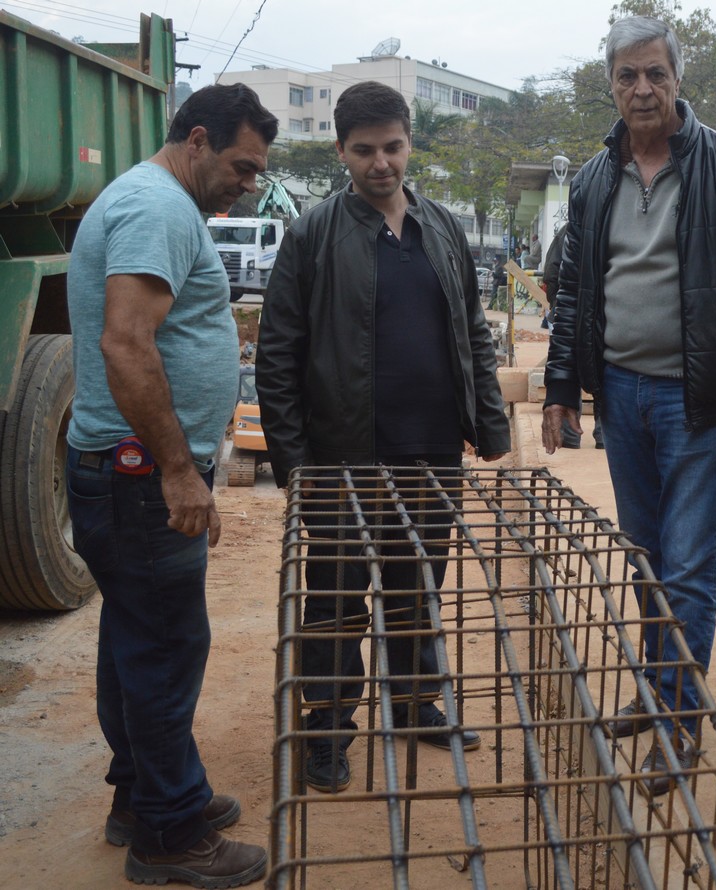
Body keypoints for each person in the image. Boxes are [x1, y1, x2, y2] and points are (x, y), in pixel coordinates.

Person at [542, 16, 716, 796]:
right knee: (646, 560)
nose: (643, 88)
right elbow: (573, 292)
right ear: (611, 85)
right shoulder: (593, 178)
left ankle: (679, 725)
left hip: (698, 401)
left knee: (688, 567)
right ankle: (655, 693)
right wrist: (560, 386)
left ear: (678, 77)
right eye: (628, 76)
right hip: (621, 393)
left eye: (656, 73)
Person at [256, 81, 510, 794]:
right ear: (341, 150)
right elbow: (278, 355)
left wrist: (489, 421)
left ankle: (415, 704)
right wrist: (297, 466)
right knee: (336, 598)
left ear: (409, 143)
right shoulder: (313, 234)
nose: (381, 164)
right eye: (364, 150)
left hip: (432, 449)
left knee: (418, 584)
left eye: (393, 147)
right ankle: (329, 729)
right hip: (343, 453)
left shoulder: (442, 228)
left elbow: (472, 331)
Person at [65, 84, 277, 886]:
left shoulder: (158, 202)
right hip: (141, 474)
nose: (248, 185)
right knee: (164, 645)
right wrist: (179, 471)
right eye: (242, 166)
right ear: (196, 141)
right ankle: (171, 833)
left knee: (136, 636)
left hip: (131, 468)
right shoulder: (156, 207)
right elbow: (126, 344)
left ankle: (141, 797)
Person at [542, 226, 603, 449]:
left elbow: (551, 274)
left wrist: (557, 305)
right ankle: (603, 434)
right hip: (599, 318)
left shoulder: (568, 232)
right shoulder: (597, 227)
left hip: (569, 314)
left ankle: (568, 435)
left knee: (568, 365)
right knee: (602, 372)